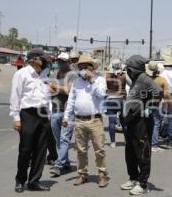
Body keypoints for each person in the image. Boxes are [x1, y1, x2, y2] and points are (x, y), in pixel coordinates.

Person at [63, 54, 109, 187]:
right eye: (80, 67)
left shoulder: (99, 80)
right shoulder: (76, 83)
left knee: (99, 149)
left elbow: (102, 95)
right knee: (81, 150)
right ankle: (82, 174)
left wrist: (92, 81)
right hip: (79, 121)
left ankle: (102, 175)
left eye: (85, 67)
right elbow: (71, 101)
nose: (82, 70)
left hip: (95, 120)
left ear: (91, 68)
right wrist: (66, 116)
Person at [9, 49, 52, 193]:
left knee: (41, 150)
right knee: (26, 149)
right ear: (35, 59)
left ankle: (34, 181)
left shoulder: (45, 75)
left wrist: (49, 115)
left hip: (43, 115)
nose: (46, 61)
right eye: (43, 59)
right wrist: (16, 118)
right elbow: (15, 96)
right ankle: (20, 180)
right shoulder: (21, 74)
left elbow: (47, 97)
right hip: (28, 114)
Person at [121, 55, 162, 195]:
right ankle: (133, 178)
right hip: (131, 121)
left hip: (141, 122)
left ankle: (143, 184)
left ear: (135, 68)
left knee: (142, 152)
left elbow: (159, 92)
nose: (128, 71)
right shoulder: (135, 79)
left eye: (129, 68)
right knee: (130, 152)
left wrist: (148, 108)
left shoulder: (144, 78)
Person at [49, 52, 77, 177]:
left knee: (64, 138)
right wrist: (61, 89)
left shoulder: (73, 75)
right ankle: (66, 164)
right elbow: (49, 89)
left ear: (69, 62)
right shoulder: (54, 74)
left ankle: (58, 164)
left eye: (64, 61)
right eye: (59, 61)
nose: (61, 63)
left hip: (67, 112)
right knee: (58, 140)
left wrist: (58, 88)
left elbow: (69, 91)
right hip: (55, 110)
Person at [145, 61, 171, 152]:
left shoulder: (144, 79)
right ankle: (154, 145)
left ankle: (146, 143)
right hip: (156, 105)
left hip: (145, 105)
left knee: (146, 123)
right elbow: (167, 95)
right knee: (156, 124)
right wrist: (169, 105)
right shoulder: (162, 80)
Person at [105, 59, 127, 148]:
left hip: (111, 99)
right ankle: (126, 141)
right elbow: (131, 84)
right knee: (124, 122)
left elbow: (103, 87)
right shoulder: (124, 76)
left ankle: (113, 142)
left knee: (111, 122)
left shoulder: (107, 76)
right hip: (122, 99)